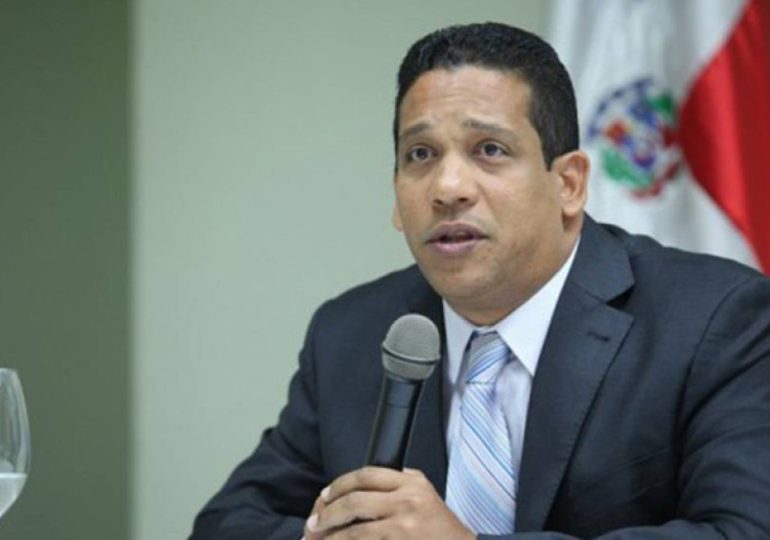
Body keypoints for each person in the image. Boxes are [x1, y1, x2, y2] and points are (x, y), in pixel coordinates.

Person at [188, 22, 770, 540]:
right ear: (396, 195)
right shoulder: (350, 334)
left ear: (568, 184)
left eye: (489, 150)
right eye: (421, 154)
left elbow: (743, 529)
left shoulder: (715, 320)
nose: (447, 188)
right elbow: (227, 524)